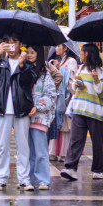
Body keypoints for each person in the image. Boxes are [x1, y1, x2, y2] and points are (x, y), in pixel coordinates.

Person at [0, 34, 37, 191]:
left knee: (23, 147)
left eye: (13, 42)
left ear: (20, 44)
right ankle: (1, 179)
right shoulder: (1, 63)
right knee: (2, 147)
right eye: (7, 43)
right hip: (3, 109)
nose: (11, 46)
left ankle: (24, 179)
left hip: (21, 109)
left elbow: (30, 81)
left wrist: (22, 65)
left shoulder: (27, 64)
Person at [61, 43, 103, 181]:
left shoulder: (100, 71)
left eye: (81, 53)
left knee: (97, 142)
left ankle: (99, 170)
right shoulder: (81, 68)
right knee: (75, 139)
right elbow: (77, 89)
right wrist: (76, 85)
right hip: (79, 109)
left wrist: (95, 79)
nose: (80, 55)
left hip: (95, 111)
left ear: (87, 53)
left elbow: (102, 92)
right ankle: (70, 168)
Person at [26, 46, 61, 191]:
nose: (29, 55)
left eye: (32, 53)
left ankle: (43, 180)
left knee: (41, 152)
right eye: (27, 52)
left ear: (39, 55)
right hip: (26, 119)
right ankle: (28, 179)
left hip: (40, 119)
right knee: (28, 152)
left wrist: (37, 107)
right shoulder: (24, 72)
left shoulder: (45, 75)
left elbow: (51, 96)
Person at [48, 44, 79, 162]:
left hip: (67, 97)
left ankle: (65, 152)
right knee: (56, 123)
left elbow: (71, 79)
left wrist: (60, 69)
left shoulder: (71, 61)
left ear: (65, 48)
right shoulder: (61, 60)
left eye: (58, 46)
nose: (56, 48)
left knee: (66, 126)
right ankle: (54, 151)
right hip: (59, 96)